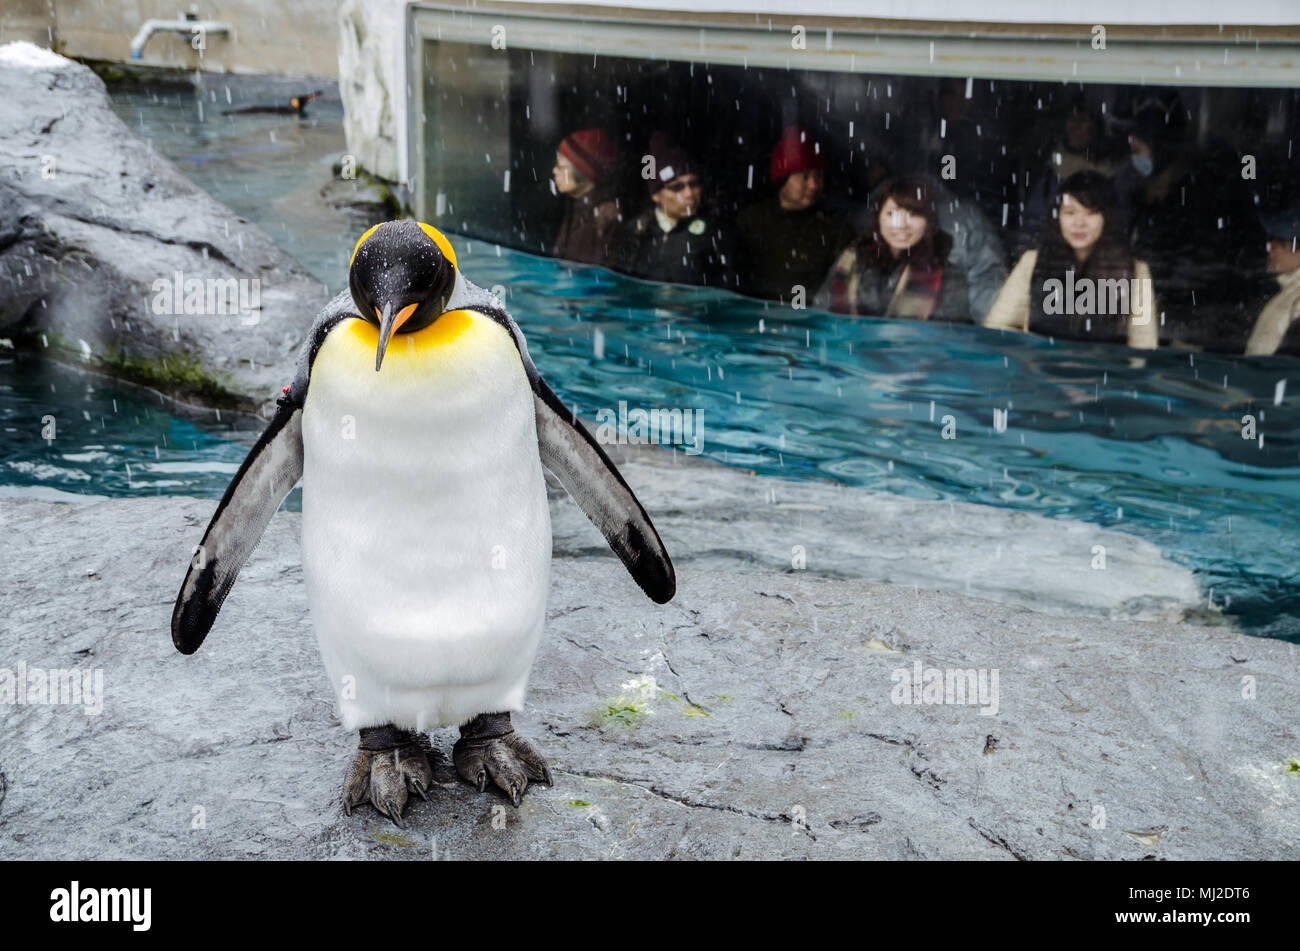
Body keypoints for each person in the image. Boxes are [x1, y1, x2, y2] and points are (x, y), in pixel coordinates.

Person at [1114, 98, 1265, 348]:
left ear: (1161, 145)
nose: (1134, 155)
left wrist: (1180, 336)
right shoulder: (1142, 192)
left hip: (1194, 339)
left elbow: (1203, 277)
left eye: (1139, 148)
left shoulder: (1201, 199)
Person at [984, 170, 1157, 348]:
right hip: (1042, 369)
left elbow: (1144, 344)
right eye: (1070, 212)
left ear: (1108, 218)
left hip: (1107, 370)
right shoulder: (1032, 262)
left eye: (1091, 213)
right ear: (1057, 216)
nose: (1079, 223)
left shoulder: (1136, 271)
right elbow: (997, 325)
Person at [813, 175, 970, 322]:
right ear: (878, 217)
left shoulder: (947, 275)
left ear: (928, 221)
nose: (900, 225)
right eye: (891, 213)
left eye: (913, 214)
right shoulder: (853, 259)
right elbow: (821, 315)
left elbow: (948, 338)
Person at [736, 126, 855, 302]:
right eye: (805, 177)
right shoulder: (751, 219)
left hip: (807, 319)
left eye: (819, 176)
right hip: (755, 316)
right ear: (783, 179)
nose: (814, 185)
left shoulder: (835, 229)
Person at [616, 133, 736, 288]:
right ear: (656, 195)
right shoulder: (638, 231)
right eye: (677, 187)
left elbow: (731, 285)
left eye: (694, 184)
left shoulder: (715, 232)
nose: (689, 193)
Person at [1018, 96, 1122, 255]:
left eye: (1084, 120)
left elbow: (1121, 226)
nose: (1076, 126)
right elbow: (1033, 225)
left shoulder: (1115, 172)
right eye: (1071, 119)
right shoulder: (1051, 169)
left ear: (1096, 127)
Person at [551, 128, 621, 266]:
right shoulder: (575, 206)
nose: (554, 170)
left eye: (561, 166)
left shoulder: (599, 218)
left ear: (583, 173)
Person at [1244, 203, 1300, 356]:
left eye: (1279, 244)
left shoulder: (1296, 301)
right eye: (1270, 242)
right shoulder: (1283, 291)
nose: (1269, 250)